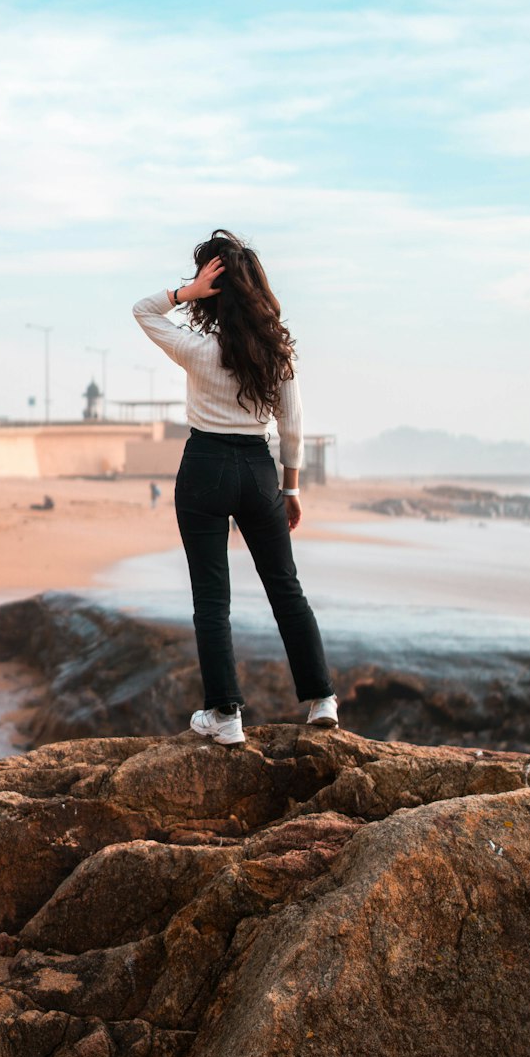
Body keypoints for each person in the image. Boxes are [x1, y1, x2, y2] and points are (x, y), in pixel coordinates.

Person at [133, 228, 338, 745]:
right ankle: (322, 700)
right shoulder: (277, 354)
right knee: (285, 588)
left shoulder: (199, 350)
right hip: (257, 469)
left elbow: (143, 310)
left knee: (211, 597)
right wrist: (290, 490)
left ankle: (225, 717)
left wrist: (186, 293)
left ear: (216, 293)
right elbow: (292, 427)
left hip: (204, 466)